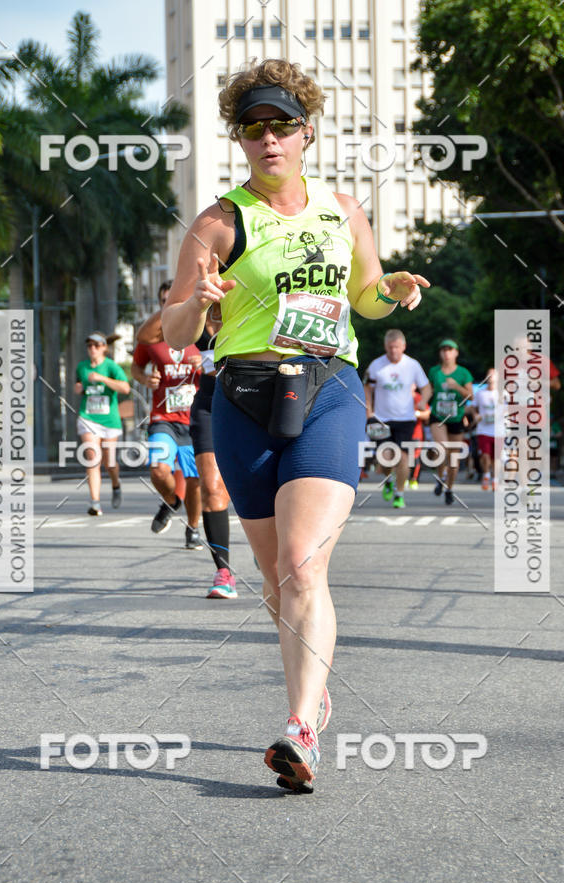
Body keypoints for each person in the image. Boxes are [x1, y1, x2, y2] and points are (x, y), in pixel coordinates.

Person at [159, 60, 429, 792]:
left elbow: (366, 297)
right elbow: (177, 329)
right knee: (277, 577)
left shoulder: (342, 211)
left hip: (327, 388)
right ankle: (316, 688)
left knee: (304, 565)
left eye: (282, 125)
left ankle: (300, 727)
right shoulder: (218, 223)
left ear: (306, 131)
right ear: (239, 139)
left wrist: (391, 288)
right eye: (254, 128)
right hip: (242, 396)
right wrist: (199, 301)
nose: (268, 139)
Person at [137, 287, 237, 598]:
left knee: (257, 485)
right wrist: (178, 300)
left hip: (249, 399)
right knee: (211, 488)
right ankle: (224, 572)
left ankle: (269, 546)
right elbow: (145, 336)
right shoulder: (195, 314)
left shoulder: (245, 302)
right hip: (205, 404)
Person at [133, 282, 203, 549]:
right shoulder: (153, 337)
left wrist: (205, 362)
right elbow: (136, 367)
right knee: (159, 470)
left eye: (173, 299)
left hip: (195, 419)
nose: (169, 304)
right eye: (164, 300)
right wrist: (145, 379)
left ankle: (193, 528)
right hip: (163, 418)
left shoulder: (200, 330)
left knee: (195, 480)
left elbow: (222, 359)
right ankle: (172, 501)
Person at [364, 329, 430, 508]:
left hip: (406, 419)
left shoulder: (412, 365)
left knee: (402, 457)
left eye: (397, 347)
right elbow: (367, 388)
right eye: (390, 347)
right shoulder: (376, 365)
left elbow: (426, 387)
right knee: (385, 457)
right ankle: (388, 480)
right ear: (385, 346)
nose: (393, 351)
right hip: (381, 419)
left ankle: (399, 494)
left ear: (403, 346)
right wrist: (369, 412)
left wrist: (423, 401)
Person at [74, 331, 130, 516]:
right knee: (92, 458)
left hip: (109, 421)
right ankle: (95, 503)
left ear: (104, 348)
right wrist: (78, 388)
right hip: (88, 418)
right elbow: (78, 385)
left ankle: (116, 484)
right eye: (89, 345)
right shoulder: (82, 367)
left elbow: (125, 388)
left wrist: (103, 379)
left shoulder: (111, 366)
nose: (92, 349)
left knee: (110, 463)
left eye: (96, 345)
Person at [428, 339, 473, 505]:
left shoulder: (463, 373)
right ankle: (441, 477)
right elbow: (429, 390)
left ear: (456, 353)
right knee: (441, 448)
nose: (446, 353)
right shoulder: (434, 371)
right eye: (443, 350)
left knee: (454, 458)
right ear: (440, 353)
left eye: (450, 350)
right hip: (438, 415)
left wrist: (457, 387)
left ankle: (449, 488)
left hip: (456, 417)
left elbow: (471, 396)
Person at [471, 368, 498, 490]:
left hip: (498, 430)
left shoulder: (504, 393)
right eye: (489, 375)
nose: (491, 377)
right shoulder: (480, 393)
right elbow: (473, 407)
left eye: (493, 375)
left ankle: (495, 479)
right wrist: (475, 415)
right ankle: (486, 475)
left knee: (496, 457)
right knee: (485, 455)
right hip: (483, 429)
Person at [407, 388, 431, 489]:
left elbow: (427, 414)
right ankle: (402, 478)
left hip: (416, 434)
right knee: (401, 456)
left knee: (415, 458)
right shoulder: (396, 395)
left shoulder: (418, 397)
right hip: (399, 431)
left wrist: (417, 414)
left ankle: (414, 479)